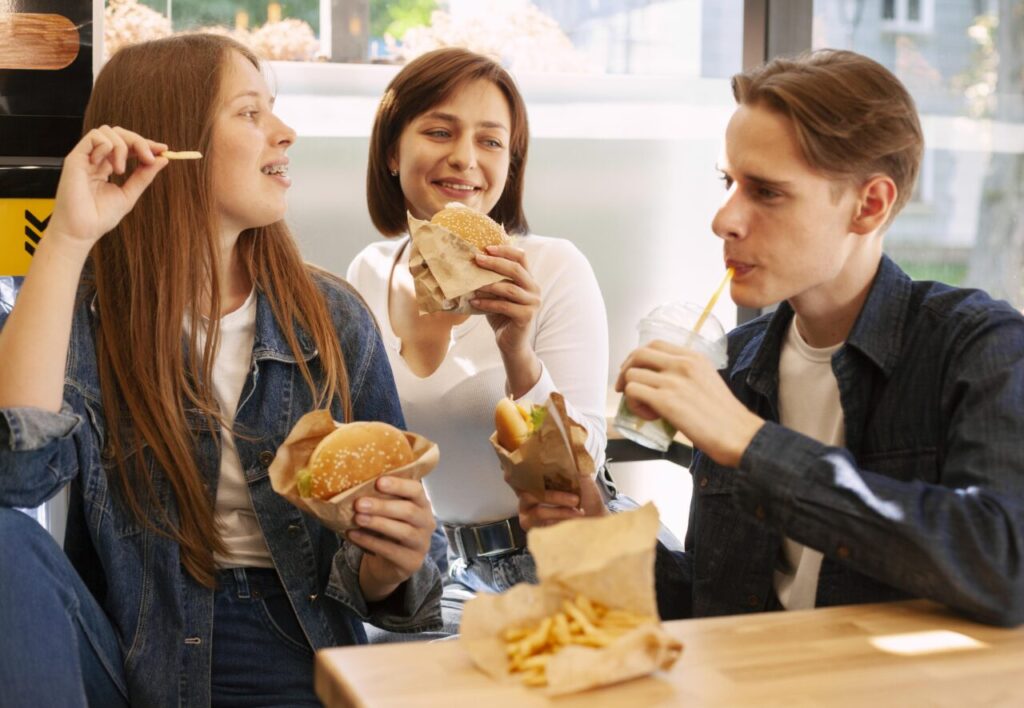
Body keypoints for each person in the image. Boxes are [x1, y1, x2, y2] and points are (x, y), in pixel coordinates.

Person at [0, 34, 440, 707]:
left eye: (276, 111)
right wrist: (66, 238)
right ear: (173, 140)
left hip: (293, 650)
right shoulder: (84, 314)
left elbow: (393, 586)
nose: (286, 134)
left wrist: (394, 563)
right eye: (251, 114)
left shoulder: (334, 322)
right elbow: (15, 479)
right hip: (131, 658)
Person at [612, 49, 1024, 626]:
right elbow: (717, 606)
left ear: (869, 205)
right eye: (728, 182)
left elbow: (1005, 565)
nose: (723, 219)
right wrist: (598, 532)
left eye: (766, 191)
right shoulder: (742, 365)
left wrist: (751, 444)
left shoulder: (978, 347)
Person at [346, 47, 611, 636]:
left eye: (491, 142)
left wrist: (517, 352)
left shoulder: (552, 267)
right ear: (393, 151)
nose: (465, 159)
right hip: (430, 576)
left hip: (557, 562)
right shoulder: (365, 275)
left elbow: (577, 473)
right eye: (439, 131)